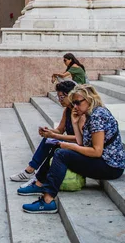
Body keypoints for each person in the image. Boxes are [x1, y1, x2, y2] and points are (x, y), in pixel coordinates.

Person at [21, 84, 125, 214]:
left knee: (62, 154)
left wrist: (69, 146)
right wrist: (75, 123)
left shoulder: (98, 115)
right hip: (103, 161)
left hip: (110, 167)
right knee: (57, 147)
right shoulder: (90, 113)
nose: (74, 106)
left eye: (77, 103)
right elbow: (82, 143)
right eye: (73, 103)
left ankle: (47, 201)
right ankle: (39, 184)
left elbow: (97, 151)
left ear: (90, 99)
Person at [11, 80, 83, 183]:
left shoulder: (81, 112)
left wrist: (54, 136)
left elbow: (81, 139)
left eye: (62, 97)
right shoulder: (67, 110)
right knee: (48, 139)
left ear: (71, 96)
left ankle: (37, 176)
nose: (59, 100)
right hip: (73, 143)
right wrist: (48, 131)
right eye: (58, 97)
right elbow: (60, 130)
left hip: (81, 147)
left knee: (54, 143)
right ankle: (30, 171)